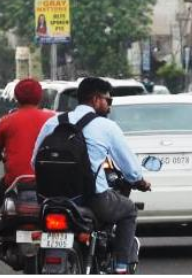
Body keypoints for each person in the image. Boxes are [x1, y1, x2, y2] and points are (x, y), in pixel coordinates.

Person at [31, 77, 150, 275]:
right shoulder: (106, 127)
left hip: (49, 201)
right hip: (92, 200)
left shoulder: (53, 122)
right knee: (128, 210)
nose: (109, 106)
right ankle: (121, 267)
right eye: (108, 100)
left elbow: (34, 162)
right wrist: (140, 182)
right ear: (96, 99)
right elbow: (131, 170)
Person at [0, 79, 54, 207]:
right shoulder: (52, 119)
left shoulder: (6, 121)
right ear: (40, 97)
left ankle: (4, 221)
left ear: (16, 98)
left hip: (15, 181)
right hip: (47, 179)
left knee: (0, 190)